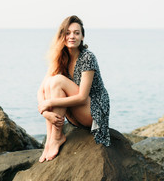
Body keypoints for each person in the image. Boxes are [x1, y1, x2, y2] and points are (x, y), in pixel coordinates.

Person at [37, 15, 110, 162]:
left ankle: (57, 137)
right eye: (68, 33)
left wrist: (49, 104)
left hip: (94, 112)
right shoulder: (60, 57)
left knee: (56, 81)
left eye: (77, 33)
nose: (72, 36)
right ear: (62, 36)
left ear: (82, 37)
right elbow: (41, 90)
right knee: (50, 83)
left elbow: (82, 97)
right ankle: (51, 140)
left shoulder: (87, 57)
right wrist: (45, 113)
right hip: (77, 112)